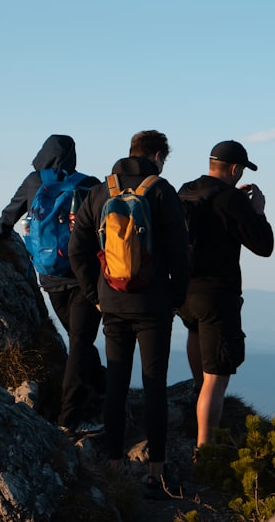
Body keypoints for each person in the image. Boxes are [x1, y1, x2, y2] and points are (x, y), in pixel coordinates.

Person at [68, 130, 190, 498]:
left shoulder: (100, 191)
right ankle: (156, 472)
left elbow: (78, 250)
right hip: (153, 305)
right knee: (155, 384)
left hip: (113, 304)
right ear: (156, 156)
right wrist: (175, 298)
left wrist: (95, 295)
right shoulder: (161, 190)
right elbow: (180, 252)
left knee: (117, 384)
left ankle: (116, 464)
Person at [0, 134, 106, 437]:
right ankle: (69, 418)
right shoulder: (90, 184)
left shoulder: (34, 181)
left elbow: (7, 218)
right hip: (86, 278)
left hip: (50, 278)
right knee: (80, 342)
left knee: (78, 338)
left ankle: (100, 388)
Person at [177, 140, 274, 452]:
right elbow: (264, 246)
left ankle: (196, 391)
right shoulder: (232, 199)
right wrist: (256, 211)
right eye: (241, 169)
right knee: (217, 376)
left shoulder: (186, 190)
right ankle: (205, 451)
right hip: (217, 293)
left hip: (182, 289)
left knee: (194, 331)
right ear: (234, 169)